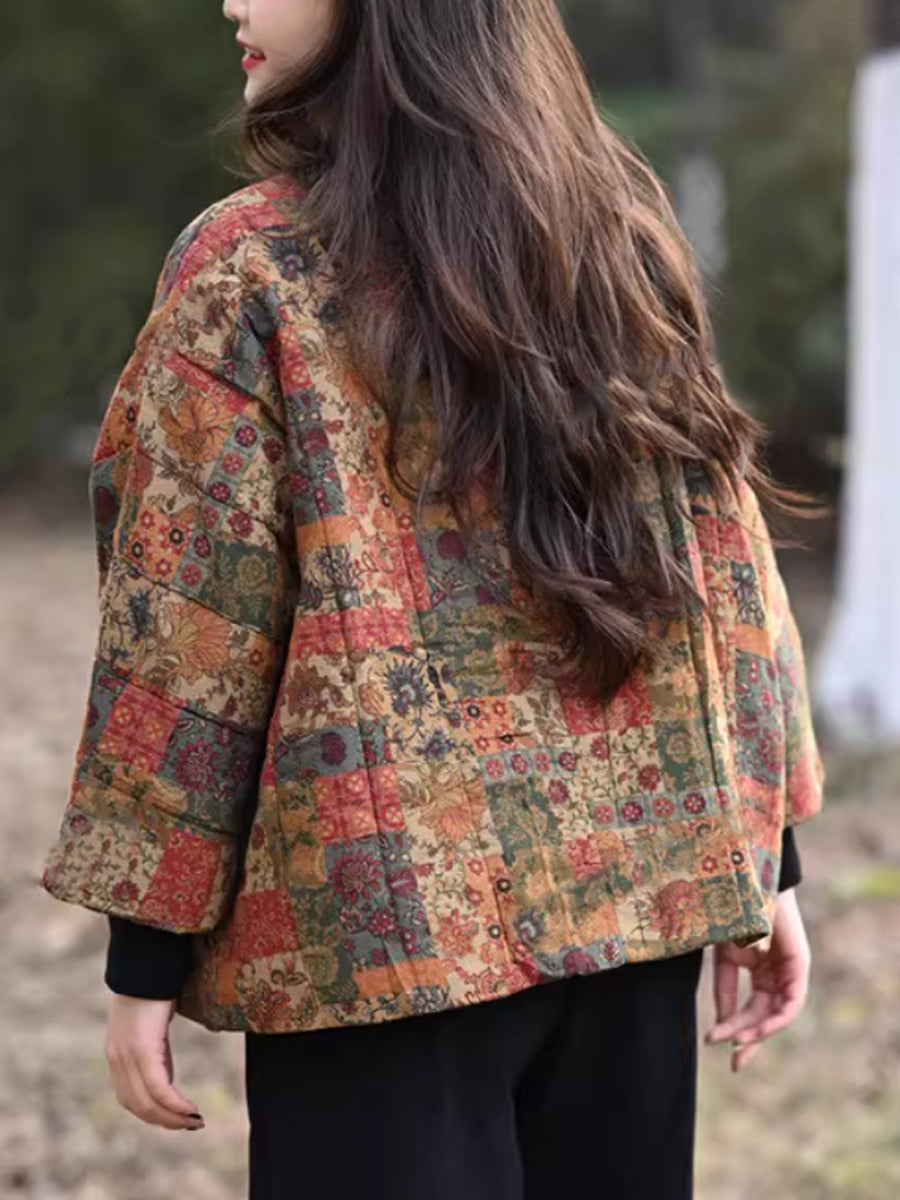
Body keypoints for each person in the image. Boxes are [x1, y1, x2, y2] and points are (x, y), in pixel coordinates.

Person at [39, 1, 825, 1197]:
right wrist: (767, 854)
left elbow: (187, 630)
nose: (232, 0)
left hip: (382, 941)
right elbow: (722, 565)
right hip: (635, 898)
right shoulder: (609, 224)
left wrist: (145, 951)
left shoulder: (253, 267)